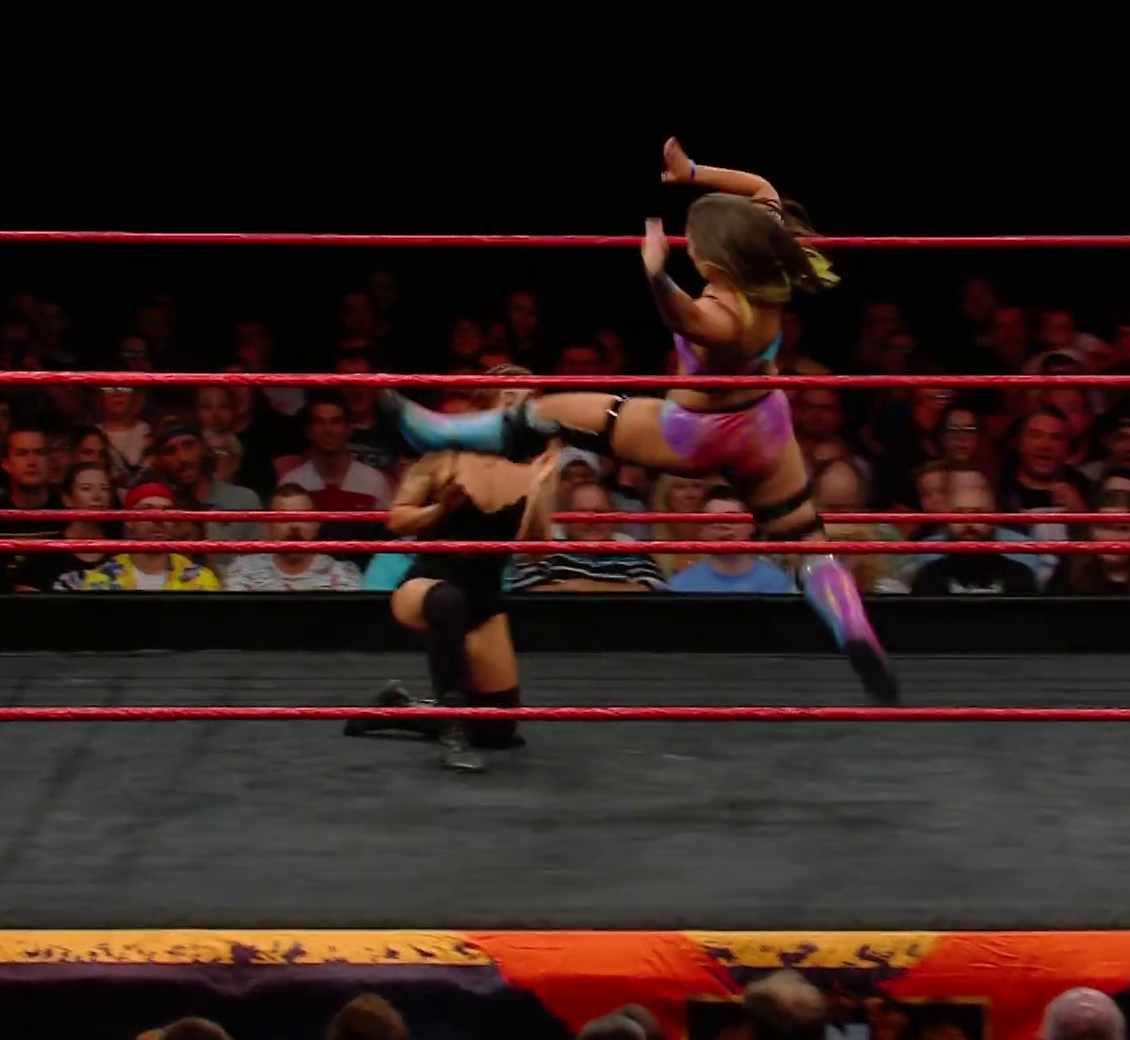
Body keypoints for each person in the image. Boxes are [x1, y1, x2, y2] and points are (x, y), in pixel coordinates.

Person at [383, 137, 899, 702]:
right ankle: (853, 627)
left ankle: (438, 430)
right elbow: (762, 187)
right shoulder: (770, 267)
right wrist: (693, 171)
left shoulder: (721, 315)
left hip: (695, 433)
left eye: (694, 245)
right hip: (765, 425)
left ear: (714, 261)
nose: (689, 248)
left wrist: (657, 273)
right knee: (805, 540)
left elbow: (685, 316)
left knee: (553, 410)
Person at [368, 421, 560, 772]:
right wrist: (440, 508)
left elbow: (536, 551)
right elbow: (397, 518)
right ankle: (452, 734)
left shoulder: (531, 469)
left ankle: (400, 708)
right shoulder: (444, 458)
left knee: (496, 731)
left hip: (483, 597)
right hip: (428, 583)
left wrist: (539, 488)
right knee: (449, 602)